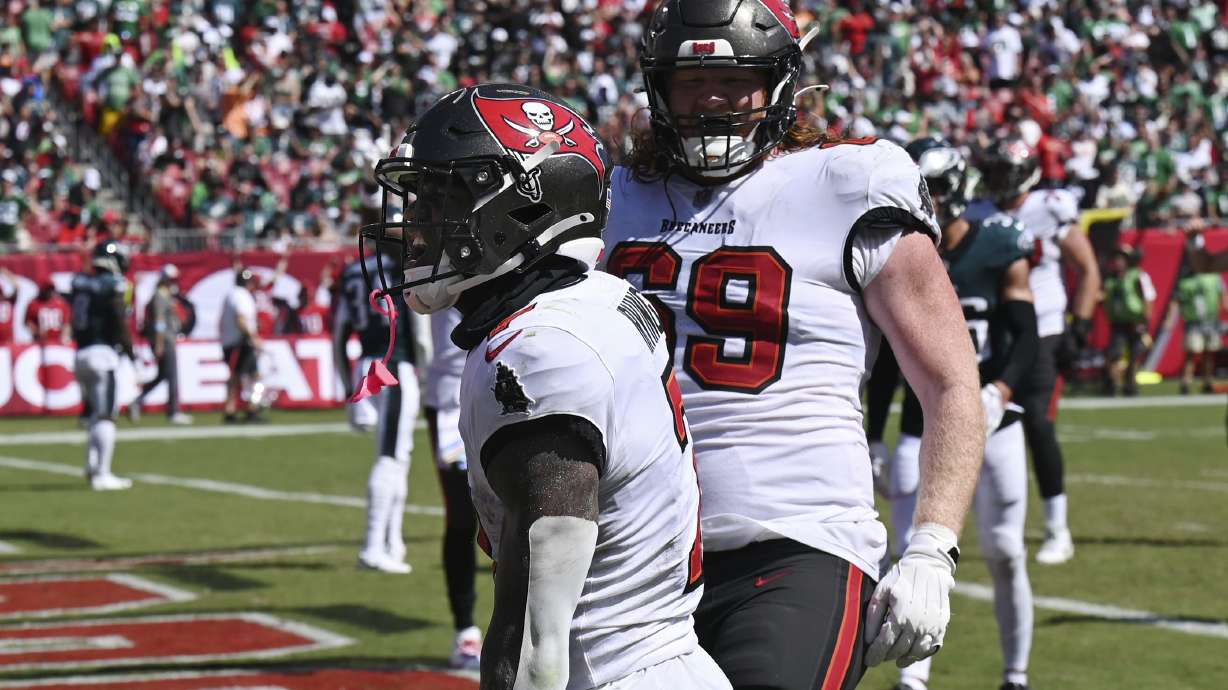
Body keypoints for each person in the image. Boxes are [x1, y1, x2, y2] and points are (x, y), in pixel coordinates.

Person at [603, 3, 986, 687]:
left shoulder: (849, 182)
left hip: (797, 544)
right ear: (656, 86)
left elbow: (951, 382)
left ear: (780, 81)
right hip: (635, 557)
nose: (712, 97)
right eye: (688, 79)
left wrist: (932, 546)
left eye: (735, 76)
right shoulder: (618, 196)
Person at [360, 83, 730, 690]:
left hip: (608, 674)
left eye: (441, 198)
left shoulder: (540, 353)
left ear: (527, 207)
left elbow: (536, 639)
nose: (418, 224)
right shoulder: (593, 301)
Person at [888, 139, 1039, 690]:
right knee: (911, 555)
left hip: (991, 417)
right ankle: (913, 681)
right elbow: (885, 359)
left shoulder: (996, 243)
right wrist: (873, 431)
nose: (934, 201)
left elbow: (1027, 334)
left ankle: (1015, 676)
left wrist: (1000, 388)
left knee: (1003, 551)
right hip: (922, 423)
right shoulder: (903, 249)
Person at [970, 140, 1100, 566]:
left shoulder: (1049, 207)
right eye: (994, 172)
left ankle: (1057, 528)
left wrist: (1078, 326)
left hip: (1042, 329)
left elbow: (1087, 267)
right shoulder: (979, 214)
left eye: (1005, 172)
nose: (997, 182)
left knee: (1040, 426)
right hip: (994, 336)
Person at [336, 252, 419, 574]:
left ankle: (392, 541)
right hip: (393, 365)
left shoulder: (353, 270)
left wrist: (348, 387)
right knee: (391, 456)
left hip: (367, 365)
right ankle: (373, 546)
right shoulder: (399, 265)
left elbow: (339, 333)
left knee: (399, 456)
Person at [425, 307, 482, 669]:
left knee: (528, 520)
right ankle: (465, 631)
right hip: (452, 395)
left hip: (515, 382)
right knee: (462, 519)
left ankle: (535, 630)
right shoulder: (435, 256)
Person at [71, 240, 135, 491]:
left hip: (81, 354)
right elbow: (119, 320)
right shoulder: (112, 285)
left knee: (95, 415)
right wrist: (131, 352)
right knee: (107, 416)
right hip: (102, 355)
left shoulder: (80, 282)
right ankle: (102, 474)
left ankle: (91, 465)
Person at [132, 265, 192, 424]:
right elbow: (159, 321)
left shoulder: (167, 295)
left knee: (164, 374)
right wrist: (159, 343)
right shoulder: (160, 295)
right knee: (171, 375)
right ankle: (173, 410)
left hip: (167, 338)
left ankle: (137, 400)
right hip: (164, 339)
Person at [1103, 245, 1155, 397]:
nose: (1118, 262)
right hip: (1118, 322)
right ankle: (1113, 384)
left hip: (1135, 321)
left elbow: (1148, 298)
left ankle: (1130, 384)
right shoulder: (1111, 278)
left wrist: (1145, 321)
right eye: (1117, 258)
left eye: (1122, 258)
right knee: (1115, 354)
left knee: (1134, 354)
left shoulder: (1138, 276)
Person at [219, 267, 266, 422]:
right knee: (254, 376)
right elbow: (241, 319)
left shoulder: (232, 294)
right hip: (241, 342)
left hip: (231, 341)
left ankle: (231, 409)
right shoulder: (241, 296)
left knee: (236, 377)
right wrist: (253, 337)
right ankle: (252, 408)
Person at [1173, 261, 1224, 395]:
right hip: (1194, 322)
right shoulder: (1186, 281)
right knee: (1191, 353)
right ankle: (1186, 382)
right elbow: (1177, 301)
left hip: (1211, 321)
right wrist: (1171, 318)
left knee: (1209, 353)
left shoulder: (1214, 278)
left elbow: (1223, 296)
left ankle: (1208, 382)